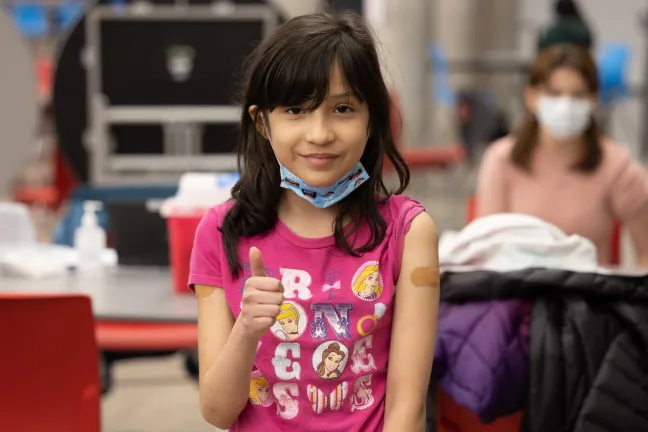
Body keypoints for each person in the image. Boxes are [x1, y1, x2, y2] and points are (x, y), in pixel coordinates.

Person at [189, 12, 440, 432]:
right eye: (296, 110)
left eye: (343, 108)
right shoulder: (219, 231)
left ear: (371, 119)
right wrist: (247, 330)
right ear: (262, 122)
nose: (320, 133)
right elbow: (217, 412)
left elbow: (407, 409)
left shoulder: (410, 233)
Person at [476, 44, 648, 268]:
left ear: (593, 100)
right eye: (554, 93)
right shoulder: (501, 159)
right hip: (516, 296)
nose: (565, 104)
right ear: (531, 96)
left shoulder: (616, 165)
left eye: (578, 95)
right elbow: (482, 250)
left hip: (588, 296)